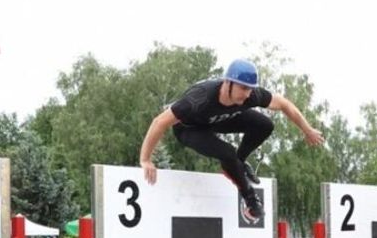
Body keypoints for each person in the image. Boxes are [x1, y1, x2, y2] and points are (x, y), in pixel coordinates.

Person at [138, 59, 325, 220]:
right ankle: (250, 200)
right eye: (243, 89)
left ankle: (238, 163)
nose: (246, 95)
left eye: (250, 90)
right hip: (189, 129)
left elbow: (284, 104)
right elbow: (159, 122)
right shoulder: (199, 99)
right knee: (227, 152)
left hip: (217, 121)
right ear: (228, 83)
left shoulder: (250, 96)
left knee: (265, 125)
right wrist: (146, 159)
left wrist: (307, 130)